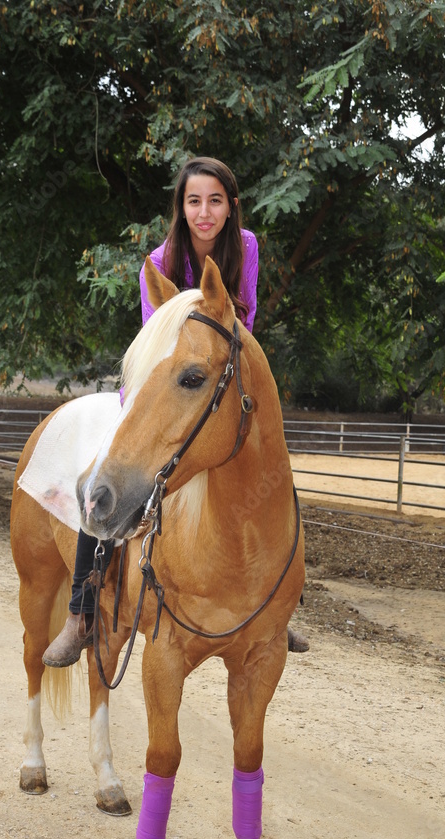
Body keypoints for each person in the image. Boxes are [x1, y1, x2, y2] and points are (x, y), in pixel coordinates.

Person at [43, 157, 308, 668]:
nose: (203, 212)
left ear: (231, 207)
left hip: (221, 371)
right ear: (181, 208)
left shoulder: (246, 247)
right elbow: (154, 341)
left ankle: (276, 601)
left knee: (268, 458)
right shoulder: (160, 259)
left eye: (214, 201)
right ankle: (80, 612)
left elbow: (245, 314)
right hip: (164, 382)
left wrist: (223, 356)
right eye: (193, 201)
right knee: (105, 473)